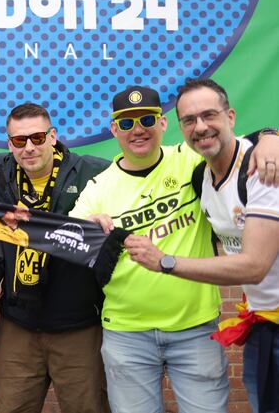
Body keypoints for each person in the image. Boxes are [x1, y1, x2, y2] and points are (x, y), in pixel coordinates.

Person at [69, 85, 279, 413]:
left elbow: (231, 142)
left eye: (146, 120)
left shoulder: (191, 158)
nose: (137, 130)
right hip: (127, 334)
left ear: (164, 124)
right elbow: (69, 241)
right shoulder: (98, 186)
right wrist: (89, 229)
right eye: (126, 123)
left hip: (195, 329)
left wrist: (270, 136)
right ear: (113, 129)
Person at [0, 103, 110, 413]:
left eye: (37, 137)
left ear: (53, 136)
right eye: (19, 140)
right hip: (19, 325)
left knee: (88, 407)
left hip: (78, 325)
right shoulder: (0, 170)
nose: (29, 147)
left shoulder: (92, 172)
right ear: (9, 143)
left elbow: (134, 181)